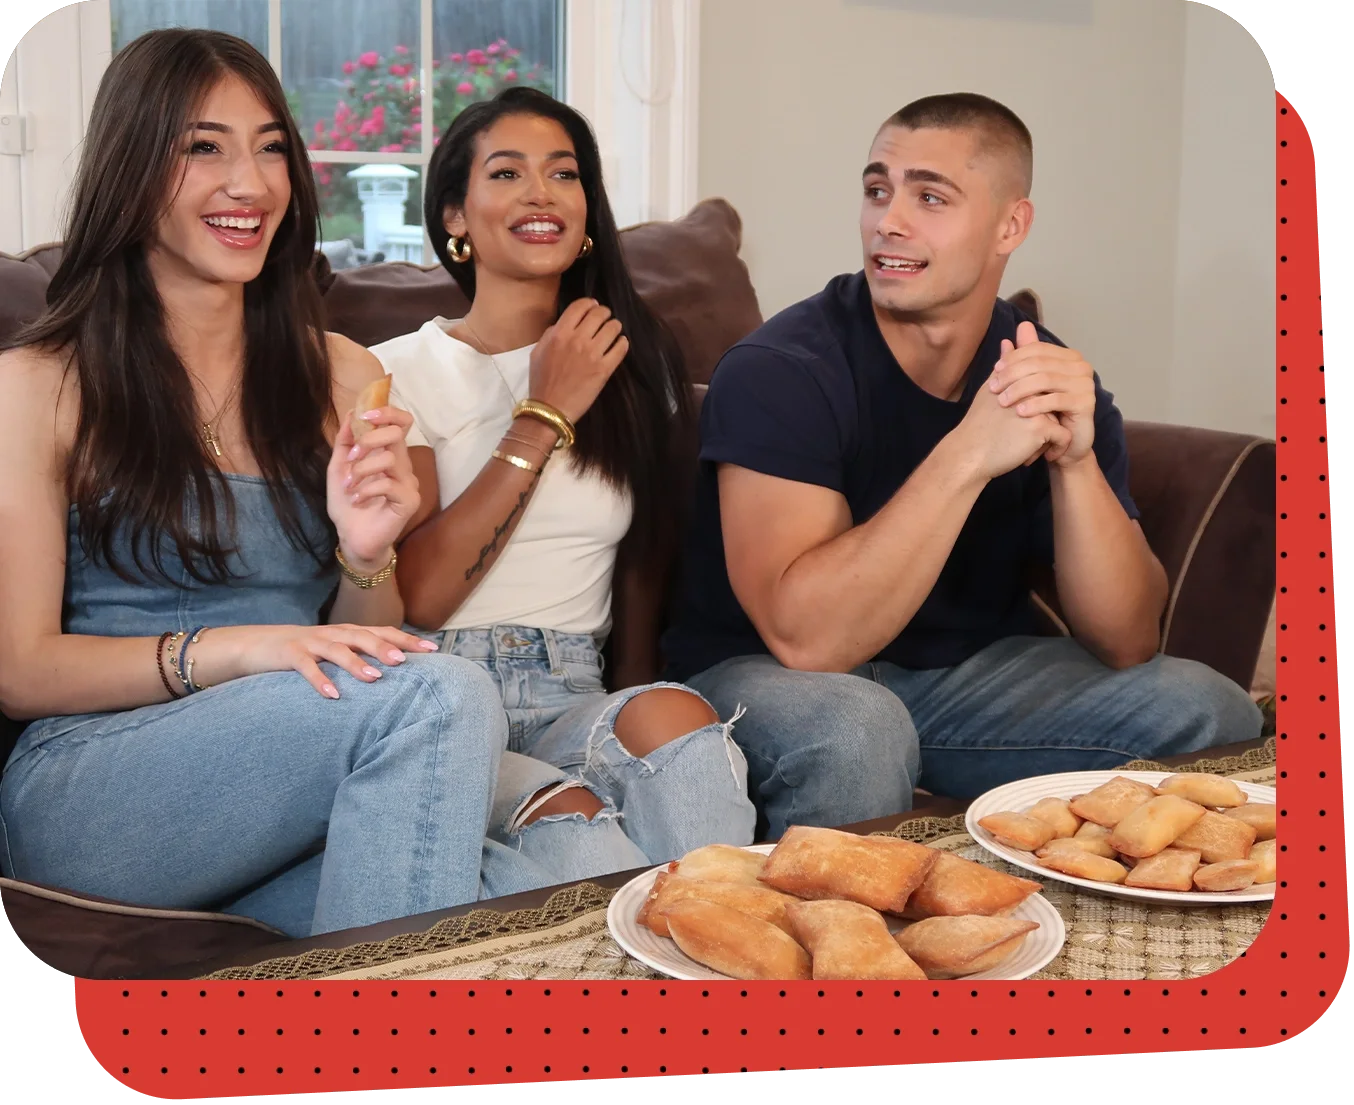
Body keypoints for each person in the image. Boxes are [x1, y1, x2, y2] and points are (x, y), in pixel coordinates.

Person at [0, 29, 508, 940]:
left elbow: (374, 623)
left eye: (271, 147)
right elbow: (20, 670)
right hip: (94, 788)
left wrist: (365, 551)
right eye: (205, 147)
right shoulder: (40, 385)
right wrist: (232, 649)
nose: (252, 184)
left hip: (274, 785)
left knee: (549, 872)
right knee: (447, 692)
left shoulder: (341, 373)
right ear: (129, 166)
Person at [660, 93, 1263, 839]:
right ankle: (848, 951)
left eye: (929, 197)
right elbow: (807, 640)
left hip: (961, 680)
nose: (889, 220)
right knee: (857, 726)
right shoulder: (781, 370)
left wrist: (1075, 464)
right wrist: (969, 453)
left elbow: (1129, 637)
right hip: (765, 676)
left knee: (1212, 709)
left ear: (1011, 225)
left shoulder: (1039, 370)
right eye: (877, 189)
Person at [371, 88, 757, 894]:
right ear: (455, 214)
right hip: (446, 696)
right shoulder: (393, 369)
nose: (541, 193)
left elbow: (643, 566)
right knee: (589, 850)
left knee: (688, 742)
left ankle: (736, 979)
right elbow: (425, 592)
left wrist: (635, 697)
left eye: (564, 174)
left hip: (574, 687)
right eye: (507, 173)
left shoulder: (630, 361)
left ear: (587, 212)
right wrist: (543, 412)